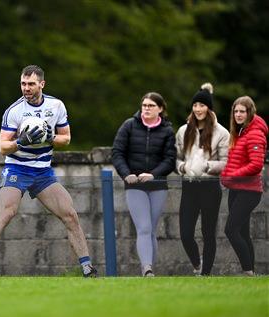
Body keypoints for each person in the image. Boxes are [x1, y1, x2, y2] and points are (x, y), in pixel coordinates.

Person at [0, 65, 97, 278]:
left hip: (43, 171)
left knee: (70, 215)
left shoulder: (56, 106)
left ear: (42, 84)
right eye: (23, 84)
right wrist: (21, 141)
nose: (26, 88)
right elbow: (2, 147)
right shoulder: (14, 111)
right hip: (17, 167)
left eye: (31, 84)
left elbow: (66, 138)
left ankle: (87, 268)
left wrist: (49, 138)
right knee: (7, 212)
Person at [112, 92, 176, 277]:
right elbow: (117, 153)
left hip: (157, 185)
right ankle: (146, 268)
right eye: (144, 105)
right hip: (135, 185)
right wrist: (127, 174)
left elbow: (170, 159)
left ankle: (149, 270)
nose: (146, 108)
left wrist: (153, 174)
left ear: (160, 109)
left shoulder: (167, 131)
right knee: (144, 228)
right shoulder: (129, 126)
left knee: (151, 230)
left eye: (151, 105)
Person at [176, 83, 229, 276]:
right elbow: (177, 158)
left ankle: (206, 273)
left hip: (210, 186)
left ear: (209, 108)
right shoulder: (183, 131)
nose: (198, 109)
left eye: (202, 105)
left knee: (208, 233)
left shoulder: (221, 133)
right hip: (189, 185)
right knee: (185, 233)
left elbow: (225, 162)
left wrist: (207, 166)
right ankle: (197, 264)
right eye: (195, 105)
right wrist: (183, 167)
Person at [221, 96, 268, 276]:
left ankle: (247, 271)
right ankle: (251, 273)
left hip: (249, 191)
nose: (238, 114)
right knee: (243, 232)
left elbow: (256, 164)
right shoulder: (241, 132)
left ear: (250, 113)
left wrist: (233, 174)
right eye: (236, 111)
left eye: (242, 111)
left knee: (231, 230)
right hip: (236, 190)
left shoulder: (255, 133)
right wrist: (226, 174)